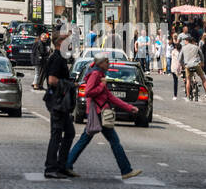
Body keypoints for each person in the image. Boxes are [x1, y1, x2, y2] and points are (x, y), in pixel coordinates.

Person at [65, 53, 142, 179]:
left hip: (98, 112)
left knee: (85, 140)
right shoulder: (96, 74)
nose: (109, 64)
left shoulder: (99, 74)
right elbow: (88, 92)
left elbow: (109, 97)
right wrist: (102, 85)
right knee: (114, 142)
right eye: (107, 61)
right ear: (100, 63)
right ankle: (126, 170)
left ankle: (67, 164)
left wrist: (129, 107)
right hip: (98, 113)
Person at [43, 29, 76, 179]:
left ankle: (61, 165)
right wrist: (68, 84)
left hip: (60, 101)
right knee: (56, 134)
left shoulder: (60, 57)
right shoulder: (57, 58)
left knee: (69, 133)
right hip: (57, 101)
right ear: (60, 43)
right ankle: (51, 167)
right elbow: (52, 80)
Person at [181, 34, 206, 100]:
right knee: (203, 78)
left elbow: (180, 59)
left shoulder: (184, 48)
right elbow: (201, 56)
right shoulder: (196, 47)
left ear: (187, 41)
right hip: (196, 64)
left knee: (188, 80)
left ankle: (187, 96)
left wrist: (183, 65)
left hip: (187, 65)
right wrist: (202, 63)